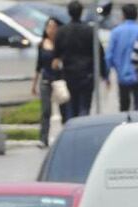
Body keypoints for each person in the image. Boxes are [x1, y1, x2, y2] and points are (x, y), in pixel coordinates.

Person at [58, 0, 102, 120]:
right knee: (85, 107)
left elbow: (56, 53)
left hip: (69, 74)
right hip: (87, 75)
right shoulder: (89, 31)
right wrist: (104, 73)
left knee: (71, 107)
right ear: (81, 12)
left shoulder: (62, 31)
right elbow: (99, 52)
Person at [105, 3, 138, 111]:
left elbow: (109, 55)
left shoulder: (116, 32)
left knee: (124, 107)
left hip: (122, 75)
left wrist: (107, 75)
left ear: (123, 15)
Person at [31, 17, 64, 146]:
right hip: (45, 80)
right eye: (49, 27)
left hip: (59, 80)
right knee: (46, 111)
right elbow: (38, 66)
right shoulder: (42, 44)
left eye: (54, 27)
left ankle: (63, 137)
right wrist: (33, 84)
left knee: (63, 109)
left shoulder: (61, 43)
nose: (51, 30)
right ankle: (43, 138)